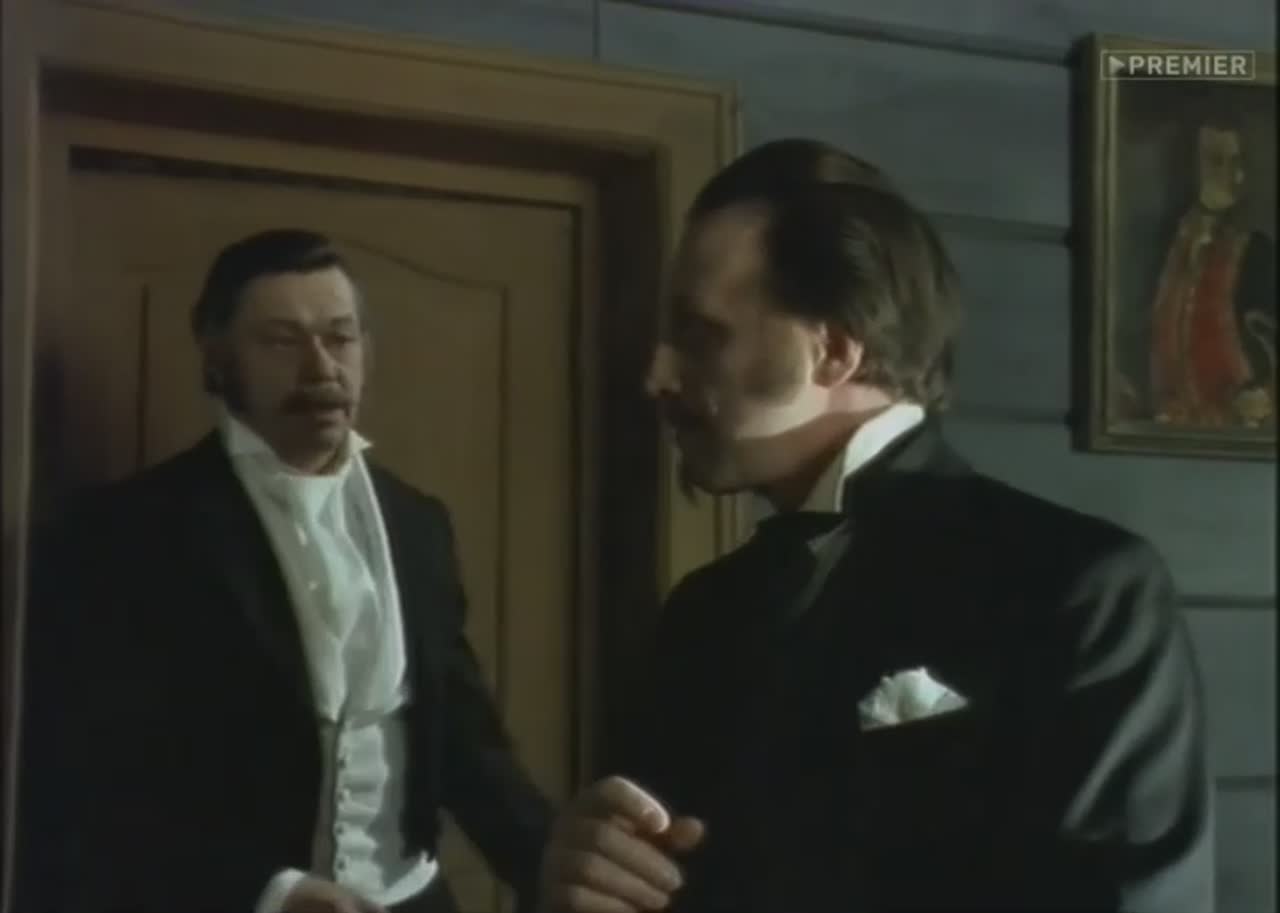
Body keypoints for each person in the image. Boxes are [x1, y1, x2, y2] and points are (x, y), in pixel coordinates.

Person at [536, 139, 1214, 912]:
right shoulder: (702, 612)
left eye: (700, 333)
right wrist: (576, 882)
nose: (658, 376)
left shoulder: (1079, 586)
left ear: (831, 350)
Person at [17, 229, 552, 913]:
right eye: (281, 341)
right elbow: (96, 775)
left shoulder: (419, 522)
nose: (321, 367)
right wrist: (268, 891)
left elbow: (463, 737)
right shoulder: (128, 531)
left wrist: (552, 863)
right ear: (218, 359)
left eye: (341, 337)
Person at [1143, 110, 1276, 428]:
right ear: (1190, 168)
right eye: (1216, 162)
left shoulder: (1257, 252)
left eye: (1236, 162)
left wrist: (1267, 395)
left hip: (1235, 431)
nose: (1233, 176)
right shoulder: (1159, 248)